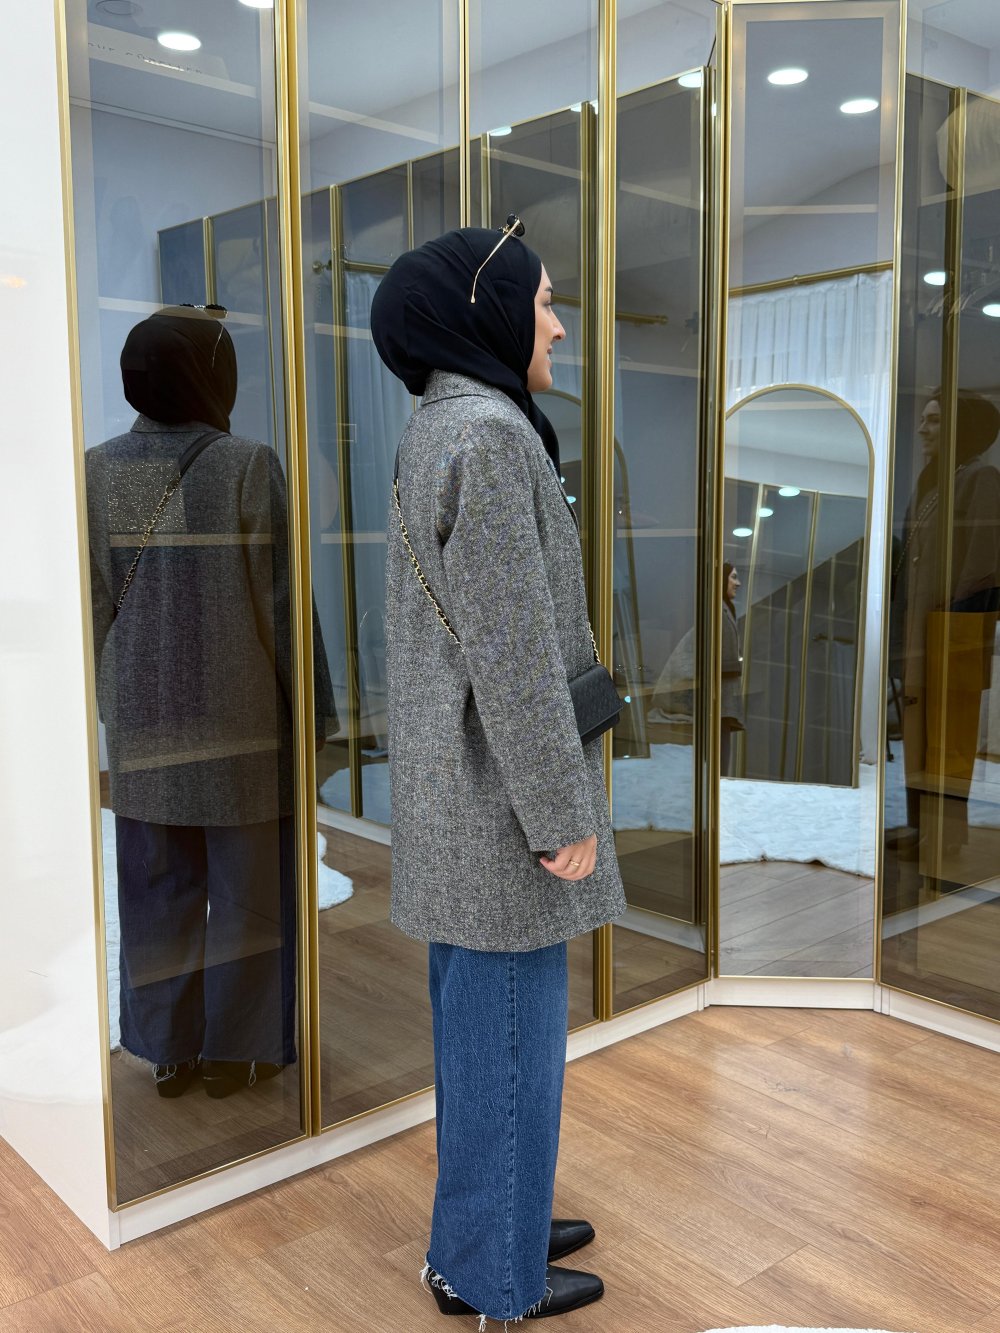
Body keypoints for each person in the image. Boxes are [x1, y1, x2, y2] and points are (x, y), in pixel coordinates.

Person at [370, 223, 626, 1326]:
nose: (557, 326)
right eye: (545, 303)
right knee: (511, 1042)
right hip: (500, 803)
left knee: (485, 1039)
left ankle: (491, 1223)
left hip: (460, 788)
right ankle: (490, 1275)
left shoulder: (441, 425)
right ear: (489, 312)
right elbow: (514, 653)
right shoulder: (487, 435)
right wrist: (562, 812)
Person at [86, 305, 336, 1099]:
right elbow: (282, 607)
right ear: (209, 375)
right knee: (247, 894)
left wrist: (110, 707)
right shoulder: (245, 464)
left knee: (154, 888)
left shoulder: (100, 469)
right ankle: (238, 1049)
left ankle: (167, 1046)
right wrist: (315, 713)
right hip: (241, 722)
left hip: (147, 719)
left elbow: (94, 605)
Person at [888, 389, 1000, 884]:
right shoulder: (931, 484)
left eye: (933, 420)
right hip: (920, 633)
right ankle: (921, 826)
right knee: (918, 732)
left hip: (953, 633)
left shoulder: (980, 479)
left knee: (950, 738)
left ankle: (945, 833)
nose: (922, 429)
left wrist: (957, 628)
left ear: (960, 428)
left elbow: (983, 562)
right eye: (924, 419)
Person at [721, 562, 745, 775]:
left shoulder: (727, 608)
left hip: (724, 693)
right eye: (733, 577)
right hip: (718, 694)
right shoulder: (717, 610)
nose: (738, 583)